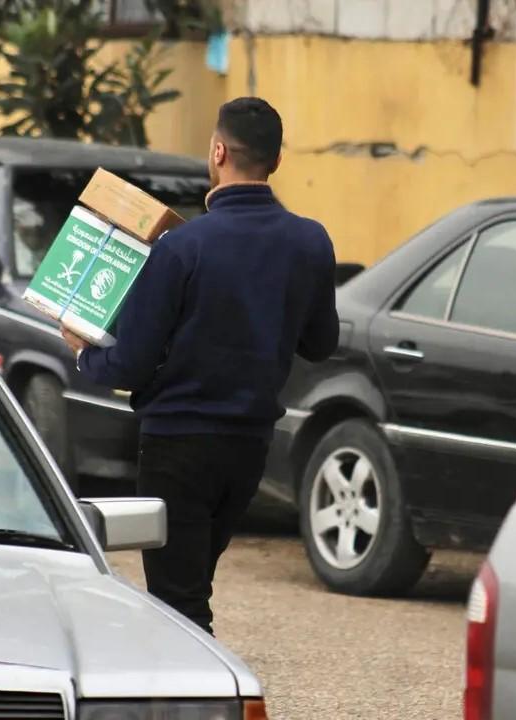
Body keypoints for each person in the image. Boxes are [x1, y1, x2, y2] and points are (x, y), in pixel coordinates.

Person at [62, 97, 339, 634]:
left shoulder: (181, 248)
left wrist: (83, 351)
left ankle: (206, 684)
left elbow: (130, 364)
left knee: (178, 605)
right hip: (249, 447)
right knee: (191, 587)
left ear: (218, 152)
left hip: (177, 446)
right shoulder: (310, 241)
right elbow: (320, 343)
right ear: (276, 161)